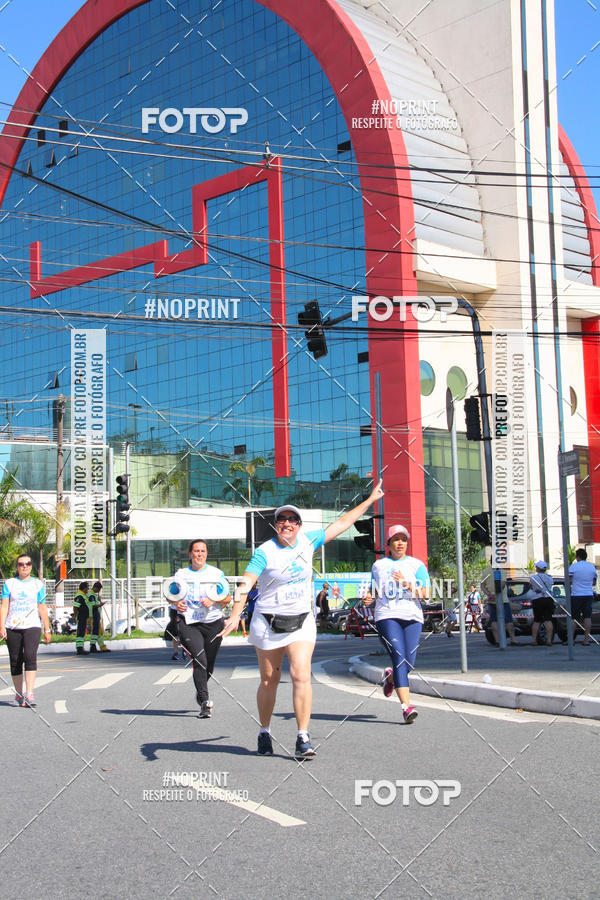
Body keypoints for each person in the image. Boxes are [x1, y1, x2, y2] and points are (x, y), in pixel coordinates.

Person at [221, 480, 384, 758]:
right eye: (282, 520)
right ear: (275, 525)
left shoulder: (309, 541)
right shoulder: (265, 552)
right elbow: (246, 583)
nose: (287, 523)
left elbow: (342, 522)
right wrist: (235, 614)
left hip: (301, 621)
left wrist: (370, 500)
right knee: (269, 680)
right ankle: (264, 730)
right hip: (268, 621)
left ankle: (303, 737)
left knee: (300, 675)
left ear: (299, 525)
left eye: (292, 520)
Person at [365, 525, 430, 724]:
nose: (400, 543)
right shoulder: (379, 565)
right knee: (399, 658)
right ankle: (406, 707)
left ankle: (391, 678)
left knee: (408, 662)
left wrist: (406, 584)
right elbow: (373, 590)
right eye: (396, 539)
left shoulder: (416, 565)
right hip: (387, 616)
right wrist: (369, 596)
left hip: (412, 617)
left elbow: (426, 594)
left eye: (403, 539)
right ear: (389, 543)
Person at [172, 540, 231, 717]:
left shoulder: (216, 574)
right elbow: (171, 595)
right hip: (189, 623)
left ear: (206, 554)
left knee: (209, 664)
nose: (199, 554)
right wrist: (176, 603)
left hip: (213, 623)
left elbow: (228, 597)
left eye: (203, 551)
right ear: (190, 554)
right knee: (200, 659)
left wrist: (214, 600)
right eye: (196, 551)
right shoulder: (181, 575)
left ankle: (200, 692)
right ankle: (205, 702)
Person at [0, 553, 51, 707]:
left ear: (31, 566)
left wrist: (47, 629)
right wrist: (2, 625)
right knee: (15, 660)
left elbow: (42, 607)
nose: (24, 566)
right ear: (17, 567)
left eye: (27, 564)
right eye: (21, 564)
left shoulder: (37, 584)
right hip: (12, 626)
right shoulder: (9, 584)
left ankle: (29, 694)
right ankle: (18, 694)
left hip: (32, 626)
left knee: (30, 656)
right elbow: (4, 605)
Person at [569, 548, 596, 645]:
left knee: (574, 618)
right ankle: (586, 639)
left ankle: (571, 640)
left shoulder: (573, 567)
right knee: (587, 617)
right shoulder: (592, 567)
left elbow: (569, 581)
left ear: (577, 557)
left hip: (576, 594)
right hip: (588, 594)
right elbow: (594, 582)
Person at [529, 561, 554, 646]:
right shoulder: (550, 577)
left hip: (537, 599)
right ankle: (549, 640)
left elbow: (531, 586)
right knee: (548, 620)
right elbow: (550, 586)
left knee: (537, 620)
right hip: (548, 598)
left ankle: (534, 640)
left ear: (538, 568)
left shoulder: (533, 577)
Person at [88, 581, 110, 652]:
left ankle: (102, 646)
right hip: (93, 615)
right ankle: (93, 646)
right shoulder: (91, 595)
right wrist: (100, 605)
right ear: (95, 588)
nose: (98, 591)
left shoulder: (93, 595)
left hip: (95, 615)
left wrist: (99, 601)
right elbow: (93, 605)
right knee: (95, 631)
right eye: (98, 589)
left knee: (99, 632)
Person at [73, 580, 91, 655]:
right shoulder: (79, 596)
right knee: (80, 633)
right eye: (87, 588)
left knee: (82, 633)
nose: (87, 590)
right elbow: (75, 607)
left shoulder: (83, 595)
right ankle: (79, 649)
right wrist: (75, 616)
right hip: (81, 617)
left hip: (84, 617)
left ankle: (81, 648)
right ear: (84, 588)